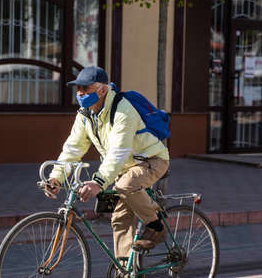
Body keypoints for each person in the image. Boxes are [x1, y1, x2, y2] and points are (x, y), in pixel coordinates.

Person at [46, 66, 170, 258]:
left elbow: (118, 152)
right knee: (119, 220)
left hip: (152, 160)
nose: (80, 93)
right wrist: (56, 178)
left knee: (126, 185)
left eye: (85, 89)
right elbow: (73, 148)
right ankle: (126, 271)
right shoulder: (85, 114)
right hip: (124, 168)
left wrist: (98, 182)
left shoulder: (123, 110)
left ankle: (156, 226)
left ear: (102, 90)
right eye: (78, 89)